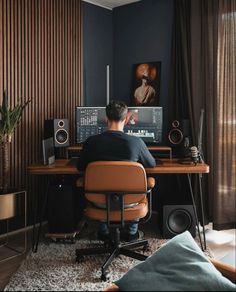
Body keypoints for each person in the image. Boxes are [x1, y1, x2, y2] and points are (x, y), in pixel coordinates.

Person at [77, 100, 156, 242]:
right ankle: (132, 233)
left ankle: (103, 233)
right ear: (126, 120)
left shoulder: (91, 142)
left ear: (106, 119)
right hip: (130, 201)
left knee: (101, 193)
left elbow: (80, 167)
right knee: (137, 192)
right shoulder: (136, 142)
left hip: (99, 201)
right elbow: (151, 164)